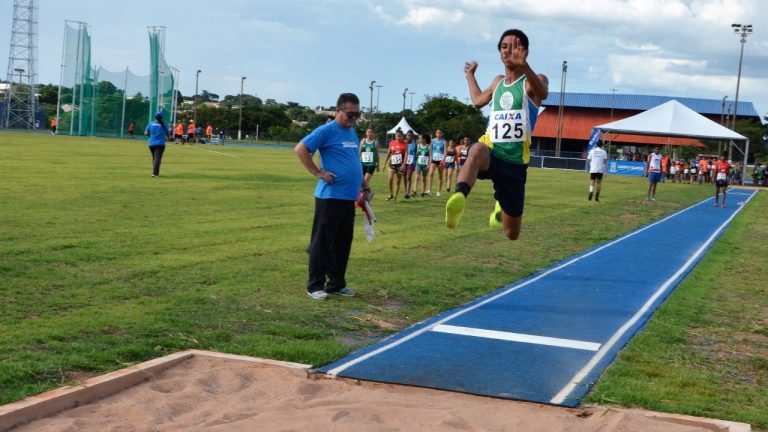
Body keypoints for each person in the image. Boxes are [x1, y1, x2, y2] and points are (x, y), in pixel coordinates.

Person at [445, 28, 548, 240]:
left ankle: (500, 204)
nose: (508, 50)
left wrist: (524, 66)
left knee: (512, 233)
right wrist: (470, 76)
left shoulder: (532, 80)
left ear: (525, 51)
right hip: (492, 150)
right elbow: (477, 101)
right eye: (504, 46)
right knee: (476, 149)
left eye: (514, 46)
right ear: (499, 52)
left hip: (515, 162)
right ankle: (458, 197)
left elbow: (542, 93)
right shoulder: (497, 82)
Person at [294, 93, 371, 300]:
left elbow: (354, 160)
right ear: (338, 111)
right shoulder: (326, 130)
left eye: (357, 114)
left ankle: (336, 283)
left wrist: (363, 186)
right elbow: (301, 149)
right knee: (322, 242)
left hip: (348, 197)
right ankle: (315, 285)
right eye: (350, 114)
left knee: (342, 242)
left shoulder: (353, 132)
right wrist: (319, 173)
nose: (354, 118)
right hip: (330, 196)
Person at [144, 110, 170, 177]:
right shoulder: (164, 124)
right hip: (160, 144)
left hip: (151, 143)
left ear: (155, 117)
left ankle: (154, 171)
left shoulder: (151, 123)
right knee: (157, 158)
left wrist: (150, 134)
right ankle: (155, 173)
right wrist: (168, 138)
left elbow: (146, 133)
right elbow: (168, 134)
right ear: (162, 117)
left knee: (154, 158)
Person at [384, 129, 407, 200]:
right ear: (395, 136)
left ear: (403, 136)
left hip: (400, 165)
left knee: (398, 181)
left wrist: (403, 165)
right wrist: (385, 163)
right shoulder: (392, 142)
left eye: (400, 136)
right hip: (392, 163)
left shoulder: (405, 144)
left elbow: (406, 155)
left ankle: (395, 196)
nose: (398, 137)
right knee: (390, 179)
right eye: (397, 136)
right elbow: (388, 153)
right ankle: (391, 194)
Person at [427, 129, 446, 196]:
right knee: (431, 174)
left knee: (440, 175)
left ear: (442, 134)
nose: (439, 134)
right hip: (434, 159)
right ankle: (429, 190)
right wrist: (430, 158)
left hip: (440, 160)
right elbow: (430, 150)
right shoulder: (433, 141)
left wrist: (443, 160)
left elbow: (445, 152)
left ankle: (438, 191)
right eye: (438, 133)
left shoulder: (444, 141)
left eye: (440, 133)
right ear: (436, 134)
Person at [403, 130, 418, 199]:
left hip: (411, 161)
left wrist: (415, 163)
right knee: (404, 177)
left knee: (408, 177)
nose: (410, 137)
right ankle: (406, 190)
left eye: (411, 135)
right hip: (404, 162)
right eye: (408, 135)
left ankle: (407, 192)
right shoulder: (403, 143)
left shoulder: (415, 144)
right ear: (406, 136)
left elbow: (416, 154)